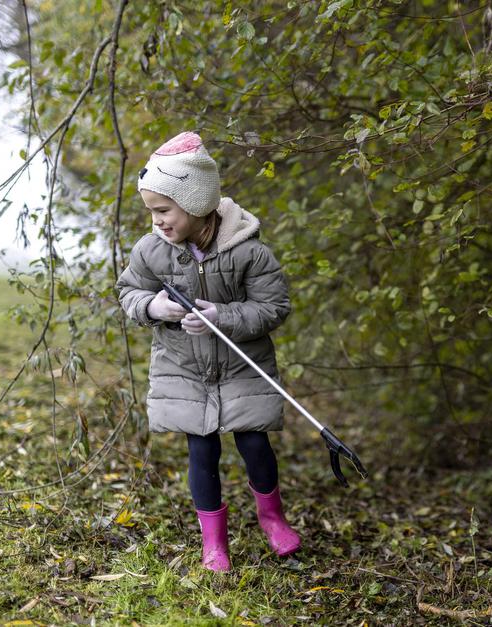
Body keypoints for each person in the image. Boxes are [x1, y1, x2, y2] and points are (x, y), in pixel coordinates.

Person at [115, 131, 300, 572]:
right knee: (202, 451)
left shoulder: (248, 251)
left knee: (254, 443)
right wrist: (153, 307)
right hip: (185, 368)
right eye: (152, 212)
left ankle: (272, 517)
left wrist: (222, 315)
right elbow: (128, 293)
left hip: (241, 364)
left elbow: (274, 306)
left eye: (164, 210)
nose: (157, 221)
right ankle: (214, 541)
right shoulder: (151, 250)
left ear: (197, 204)